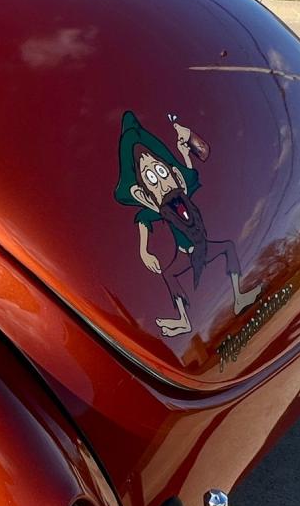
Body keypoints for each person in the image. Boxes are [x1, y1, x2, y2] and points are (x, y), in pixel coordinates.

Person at [112, 111, 261, 338]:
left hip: (203, 246)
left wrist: (184, 153)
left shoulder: (182, 190)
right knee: (168, 274)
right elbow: (142, 220)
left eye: (160, 171)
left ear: (172, 172)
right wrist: (144, 251)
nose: (160, 181)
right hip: (185, 253)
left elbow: (190, 174)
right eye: (150, 178)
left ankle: (239, 297)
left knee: (229, 247)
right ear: (144, 190)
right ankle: (183, 320)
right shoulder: (157, 209)